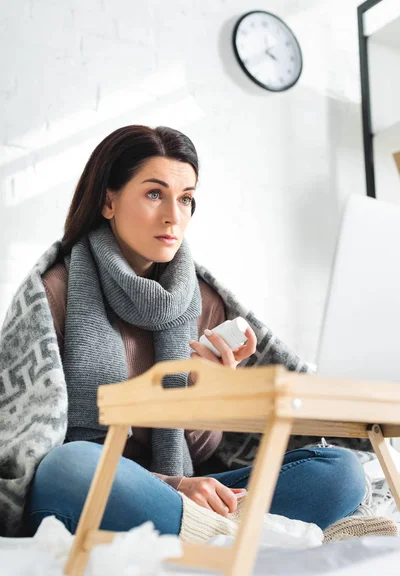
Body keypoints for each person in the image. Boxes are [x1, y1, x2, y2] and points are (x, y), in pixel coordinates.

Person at [25, 125, 365, 539]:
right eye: (155, 194)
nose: (174, 216)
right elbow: (34, 442)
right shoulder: (56, 291)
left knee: (340, 472)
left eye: (186, 199)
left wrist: (210, 395)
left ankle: (198, 528)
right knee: (70, 467)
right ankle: (224, 531)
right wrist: (174, 487)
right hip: (107, 479)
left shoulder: (203, 300)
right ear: (108, 200)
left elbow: (200, 451)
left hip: (179, 490)